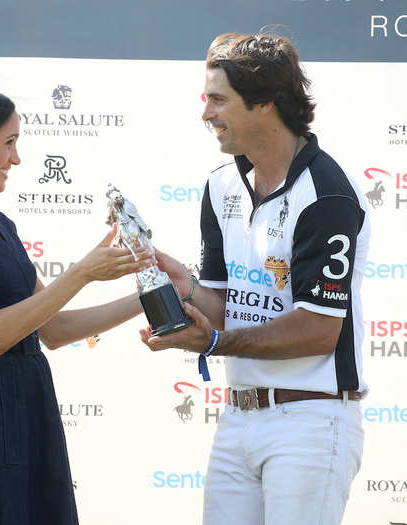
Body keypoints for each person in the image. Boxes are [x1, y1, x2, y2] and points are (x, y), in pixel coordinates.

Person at [140, 33, 370, 525]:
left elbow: (317, 331)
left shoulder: (326, 195)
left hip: (311, 422)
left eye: (219, 100)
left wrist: (216, 341)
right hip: (238, 419)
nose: (206, 114)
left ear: (265, 103)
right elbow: (227, 305)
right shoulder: (220, 184)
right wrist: (186, 285)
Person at [0, 82, 150, 524]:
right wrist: (80, 272)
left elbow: (53, 331)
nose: (16, 159)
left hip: (29, 400)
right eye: (9, 143)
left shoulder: (0, 222)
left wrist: (148, 298)